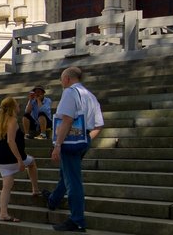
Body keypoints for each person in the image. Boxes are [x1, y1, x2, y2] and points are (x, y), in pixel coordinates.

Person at [45, 66, 104, 232]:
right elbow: (99, 125)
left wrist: (57, 145)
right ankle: (53, 199)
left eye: (61, 79)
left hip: (69, 142)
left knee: (73, 180)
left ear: (67, 79)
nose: (61, 82)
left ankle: (77, 219)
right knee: (67, 174)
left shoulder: (70, 92)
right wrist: (86, 140)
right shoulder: (90, 96)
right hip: (84, 139)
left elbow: (67, 120)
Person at [0, 96, 40, 223]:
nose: (19, 106)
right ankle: (35, 189)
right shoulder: (12, 120)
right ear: (13, 107)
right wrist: (19, 159)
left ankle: (3, 213)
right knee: (32, 161)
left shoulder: (0, 120)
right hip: (11, 158)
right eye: (17, 104)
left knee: (6, 186)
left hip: (1, 160)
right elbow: (10, 141)